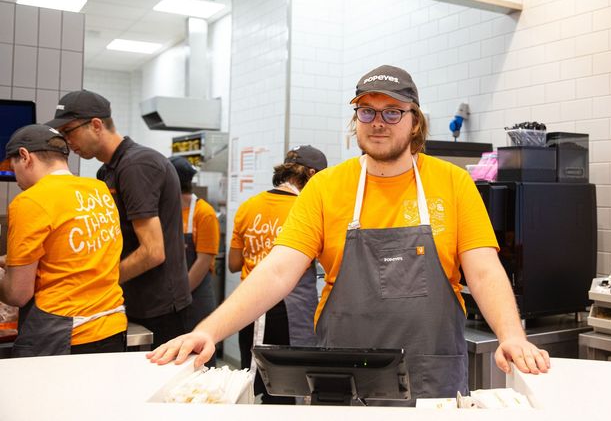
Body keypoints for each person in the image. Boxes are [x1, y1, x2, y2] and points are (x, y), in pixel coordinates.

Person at [148, 65, 550, 404]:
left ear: (415, 122)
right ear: (355, 119)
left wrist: (512, 336)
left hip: (433, 374)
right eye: (367, 111)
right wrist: (209, 331)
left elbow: (483, 270)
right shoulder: (327, 187)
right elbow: (277, 272)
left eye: (393, 112)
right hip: (341, 376)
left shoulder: (453, 183)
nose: (378, 122)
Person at [45, 90, 192, 349]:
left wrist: (99, 281)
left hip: (158, 307)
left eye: (69, 131)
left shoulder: (137, 165)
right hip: (133, 299)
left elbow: (153, 251)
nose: (67, 142)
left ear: (96, 125)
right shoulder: (109, 170)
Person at [0, 124, 126, 357]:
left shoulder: (30, 201)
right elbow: (75, 255)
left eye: (12, 165)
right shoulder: (99, 191)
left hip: (63, 335)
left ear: (25, 157)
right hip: (112, 327)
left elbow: (18, 293)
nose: (14, 175)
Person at [228, 145, 327, 404]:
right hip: (288, 313)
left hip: (249, 310)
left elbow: (234, 263)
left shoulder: (249, 206)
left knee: (255, 384)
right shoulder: (306, 209)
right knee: (289, 387)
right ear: (312, 174)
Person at [169, 156, 220, 367]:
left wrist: (179, 294)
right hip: (171, 297)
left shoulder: (203, 212)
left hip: (195, 297)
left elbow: (203, 260)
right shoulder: (167, 210)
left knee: (200, 358)